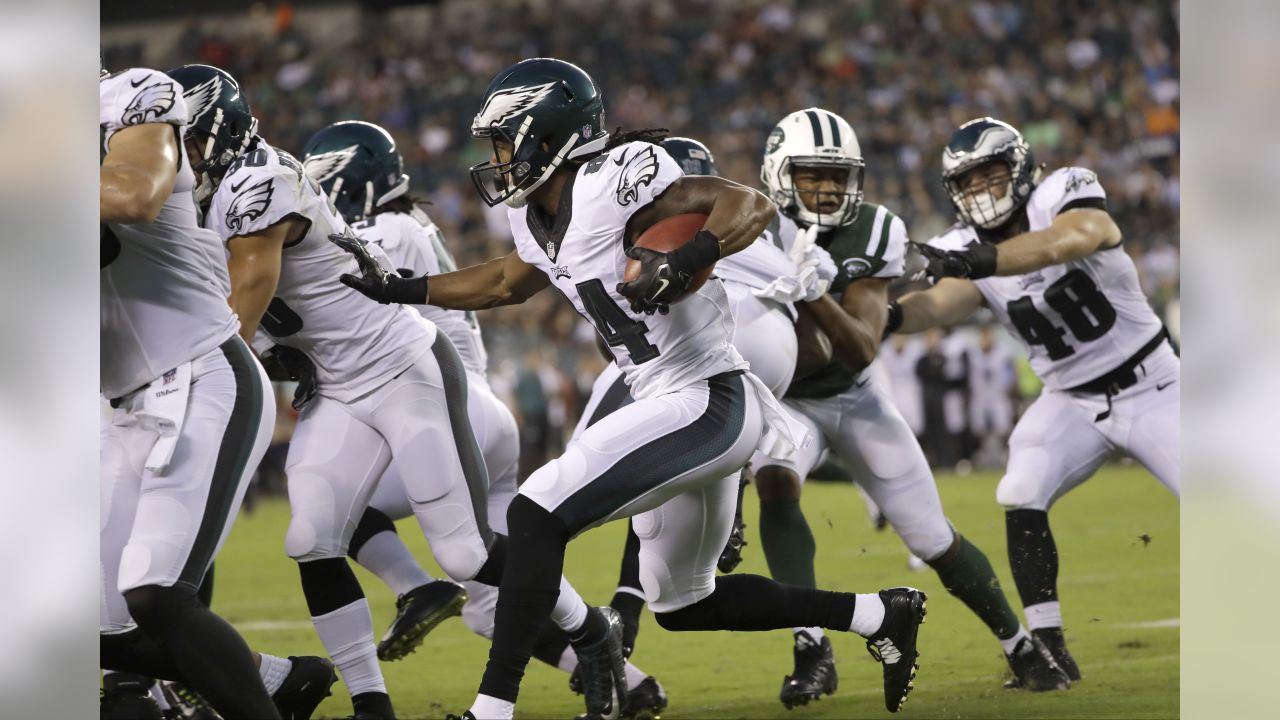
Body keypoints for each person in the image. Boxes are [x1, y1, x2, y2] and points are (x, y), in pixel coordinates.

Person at [336, 58, 928, 719]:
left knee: (535, 513)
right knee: (683, 602)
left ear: (548, 135)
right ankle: (880, 614)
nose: (498, 159)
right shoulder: (534, 218)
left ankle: (491, 711)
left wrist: (689, 256)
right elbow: (504, 282)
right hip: (672, 400)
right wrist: (402, 290)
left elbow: (748, 204)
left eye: (506, 141)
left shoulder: (616, 178)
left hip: (706, 394)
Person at [168, 63, 596, 720]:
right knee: (310, 538)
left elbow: (237, 312)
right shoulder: (201, 199)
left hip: (401, 369)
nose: (176, 159)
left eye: (186, 142)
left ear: (219, 133)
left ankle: (591, 631)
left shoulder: (259, 182)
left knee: (464, 551)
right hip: (337, 387)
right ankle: (372, 705)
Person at [300, 120, 668, 718]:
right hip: (477, 408)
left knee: (350, 519)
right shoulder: (410, 224)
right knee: (492, 605)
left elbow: (349, 305)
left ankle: (420, 590)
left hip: (443, 404)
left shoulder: (383, 228)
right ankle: (631, 682)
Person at [751, 107, 1070, 704]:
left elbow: (861, 347)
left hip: (856, 395)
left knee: (932, 539)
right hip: (787, 402)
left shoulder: (874, 229)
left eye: (837, 176)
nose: (825, 188)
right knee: (775, 478)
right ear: (778, 174)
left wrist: (814, 294)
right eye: (811, 175)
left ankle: (1020, 643)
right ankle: (811, 647)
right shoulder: (750, 229)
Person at [890, 116, 1181, 685]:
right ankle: (1046, 646)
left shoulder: (1063, 194)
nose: (982, 192)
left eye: (991, 175)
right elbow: (939, 304)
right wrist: (884, 316)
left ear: (1021, 171)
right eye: (968, 184)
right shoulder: (964, 245)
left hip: (1153, 385)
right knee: (1019, 487)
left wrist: (983, 261)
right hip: (1069, 398)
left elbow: (1072, 239)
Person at [99, 65, 333, 720]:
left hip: (201, 374)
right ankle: (282, 682)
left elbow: (135, 192)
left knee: (154, 592)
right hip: (124, 406)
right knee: (92, 626)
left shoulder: (130, 97)